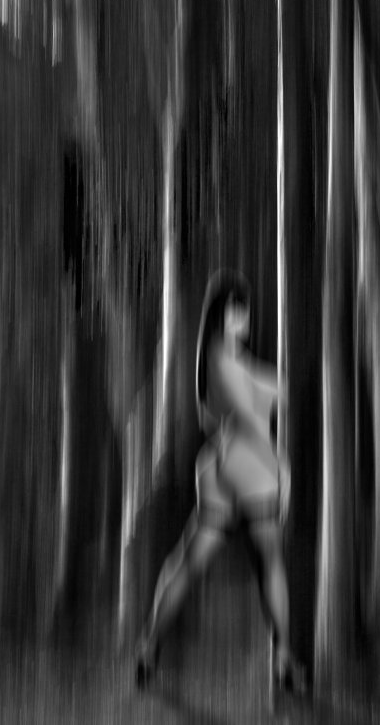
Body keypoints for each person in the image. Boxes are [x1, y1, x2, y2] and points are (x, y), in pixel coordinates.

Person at [135, 268, 306, 696]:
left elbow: (217, 416)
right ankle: (283, 658)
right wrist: (281, 467)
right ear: (219, 314)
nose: (244, 316)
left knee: (188, 561)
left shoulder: (219, 359)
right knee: (270, 562)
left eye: (244, 308)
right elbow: (251, 421)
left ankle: (149, 647)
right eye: (235, 309)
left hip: (216, 466)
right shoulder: (224, 360)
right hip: (249, 463)